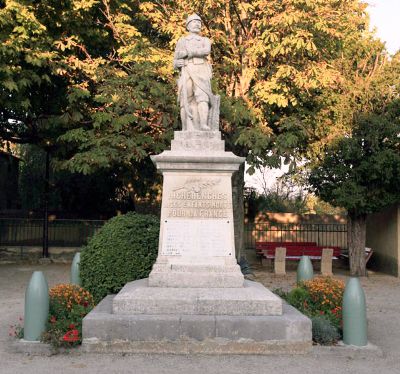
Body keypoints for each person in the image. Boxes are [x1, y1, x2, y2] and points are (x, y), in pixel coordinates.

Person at [173, 14, 219, 131]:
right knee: (185, 99)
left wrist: (189, 53)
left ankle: (203, 124)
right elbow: (176, 59)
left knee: (202, 97)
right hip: (187, 70)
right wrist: (177, 64)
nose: (197, 24)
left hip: (201, 70)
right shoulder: (182, 41)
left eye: (199, 22)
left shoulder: (205, 40)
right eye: (194, 22)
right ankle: (186, 127)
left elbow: (206, 51)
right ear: (188, 26)